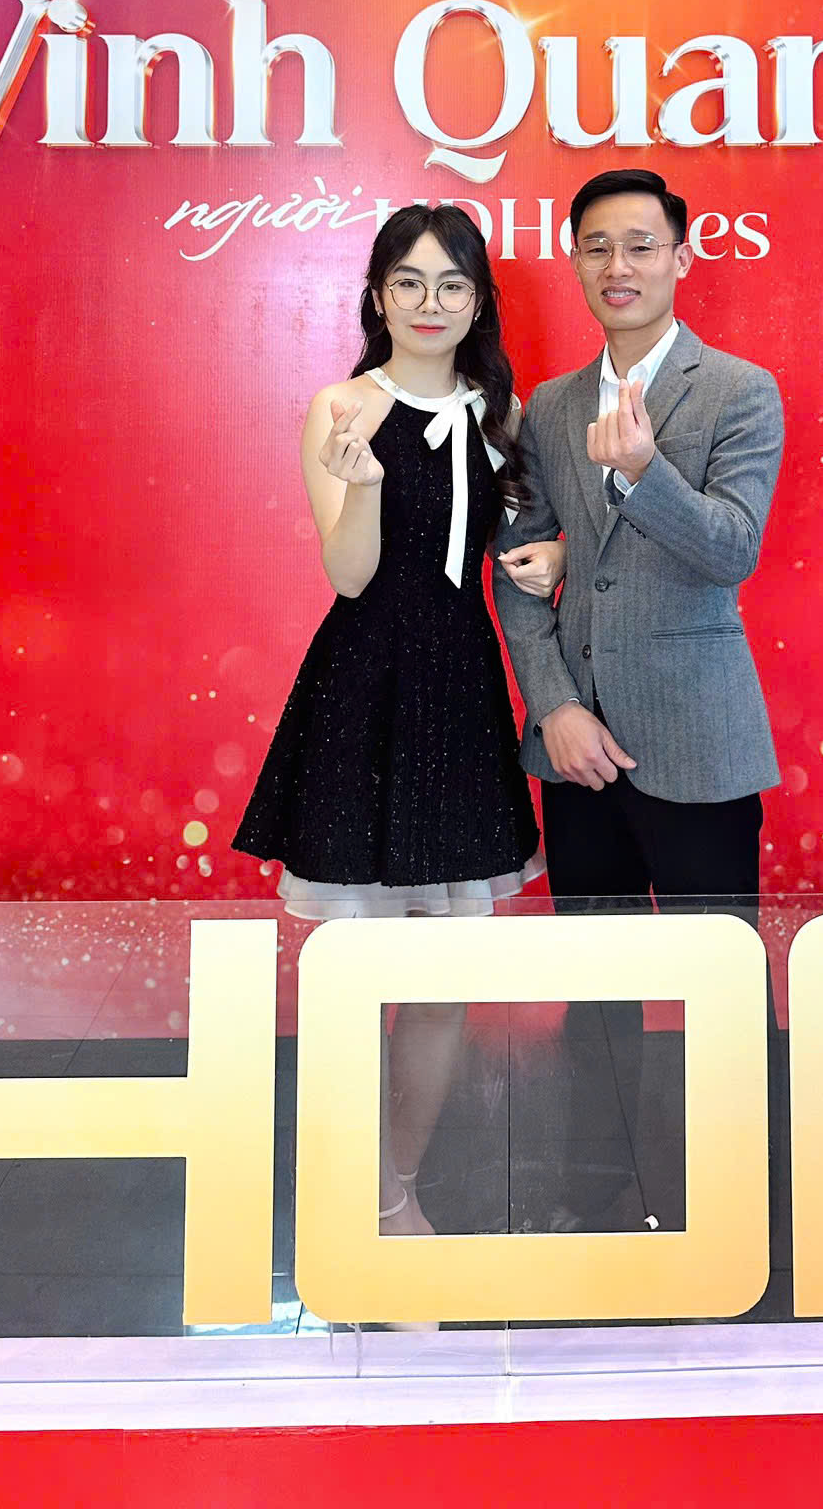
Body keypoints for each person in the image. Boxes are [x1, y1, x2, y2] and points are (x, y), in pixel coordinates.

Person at [234, 203, 561, 1236]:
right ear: (377, 295)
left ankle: (397, 1193)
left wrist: (553, 554)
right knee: (357, 971)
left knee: (441, 978)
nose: (430, 302)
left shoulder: (502, 416)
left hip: (460, 694)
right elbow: (349, 575)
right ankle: (359, 1193)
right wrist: (365, 484)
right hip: (365, 693)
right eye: (409, 282)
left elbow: (522, 548)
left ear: (479, 302)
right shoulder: (342, 407)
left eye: (452, 284)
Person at [493, 167, 784, 1220]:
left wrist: (643, 473)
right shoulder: (550, 407)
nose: (619, 266)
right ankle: (602, 1183)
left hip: (699, 740)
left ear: (680, 257)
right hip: (580, 750)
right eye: (598, 247)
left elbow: (732, 549)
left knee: (722, 981)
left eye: (641, 245)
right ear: (576, 261)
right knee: (599, 986)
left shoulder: (739, 391)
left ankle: (739, 1191)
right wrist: (556, 708)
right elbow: (517, 571)